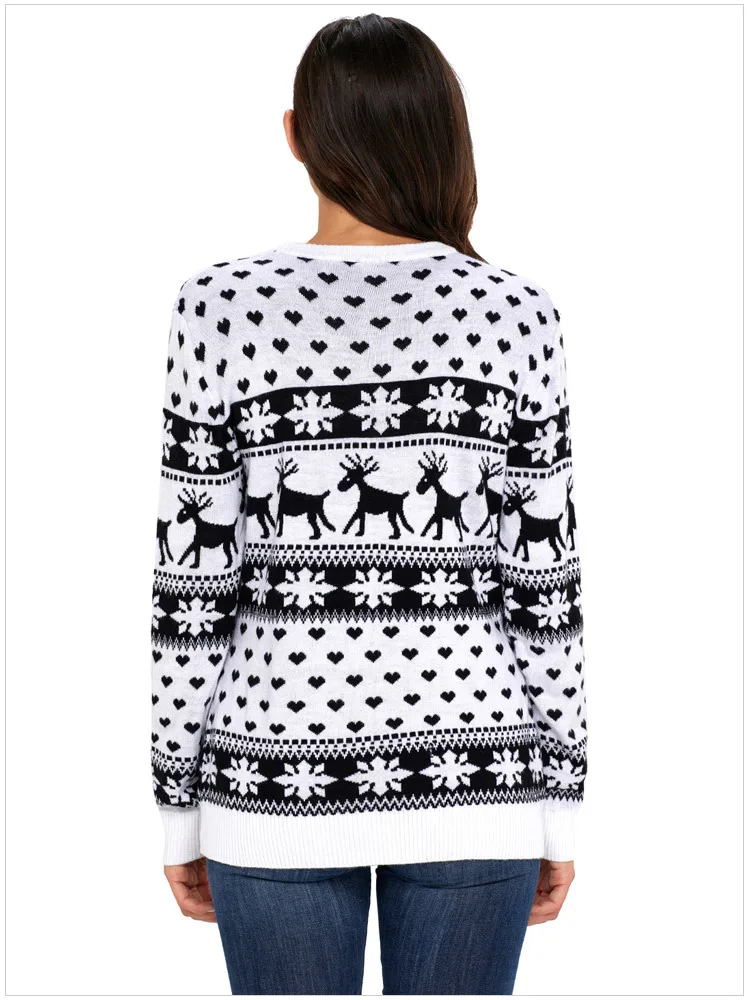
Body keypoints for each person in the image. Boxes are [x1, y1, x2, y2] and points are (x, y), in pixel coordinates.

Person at [150, 13, 587, 995]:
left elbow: (191, 580)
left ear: (295, 134)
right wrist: (558, 809)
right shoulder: (517, 313)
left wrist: (178, 809)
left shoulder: (218, 307)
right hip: (476, 780)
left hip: (272, 779)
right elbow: (545, 588)